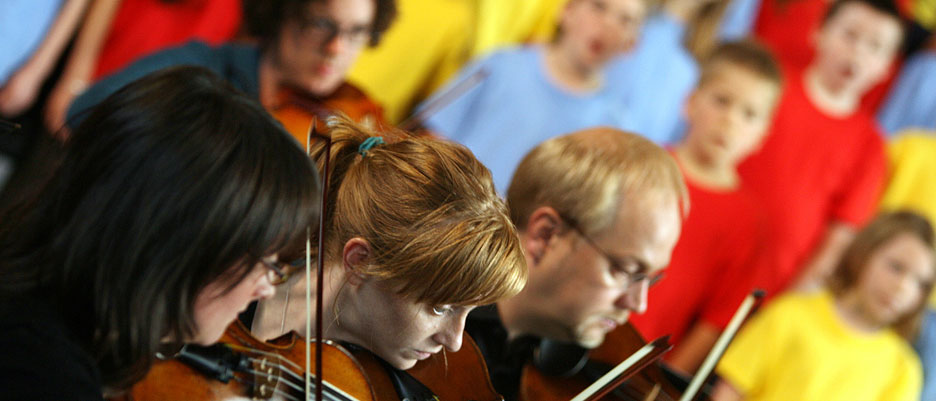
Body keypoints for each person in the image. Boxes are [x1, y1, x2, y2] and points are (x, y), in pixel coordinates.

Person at [0, 65, 320, 400]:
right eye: (267, 264)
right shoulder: (41, 376)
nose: (267, 290)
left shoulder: (47, 321)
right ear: (188, 238)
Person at [249, 116, 528, 371]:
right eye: (440, 308)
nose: (454, 342)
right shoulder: (228, 293)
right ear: (360, 262)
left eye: (469, 311)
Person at [464, 127, 687, 399]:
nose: (638, 304)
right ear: (546, 235)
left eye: (650, 278)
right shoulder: (424, 329)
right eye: (625, 271)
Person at [628, 40, 782, 374]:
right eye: (721, 101)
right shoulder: (640, 165)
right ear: (691, 102)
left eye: (749, 114)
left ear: (762, 135)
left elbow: (715, 321)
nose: (729, 121)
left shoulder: (749, 221)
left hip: (640, 372)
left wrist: (660, 383)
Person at [737, 0, 901, 295]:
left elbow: (838, 241)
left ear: (886, 69)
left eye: (875, 47)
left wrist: (790, 303)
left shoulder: (871, 147)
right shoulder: (770, 86)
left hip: (770, 287)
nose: (858, 52)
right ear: (819, 32)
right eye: (850, 35)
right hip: (708, 238)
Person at [67, 0, 395, 142]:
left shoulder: (351, 117)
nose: (337, 47)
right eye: (322, 24)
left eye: (356, 33)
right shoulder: (198, 65)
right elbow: (86, 110)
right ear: (283, 13)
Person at [421, 0, 646, 193]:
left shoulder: (615, 130)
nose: (608, 24)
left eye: (625, 20)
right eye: (598, 6)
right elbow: (431, 134)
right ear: (567, 10)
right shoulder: (501, 64)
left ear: (632, 44)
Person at [713, 211, 934, 401]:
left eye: (920, 283)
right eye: (896, 267)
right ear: (865, 252)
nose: (902, 288)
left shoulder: (903, 369)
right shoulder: (790, 314)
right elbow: (729, 392)